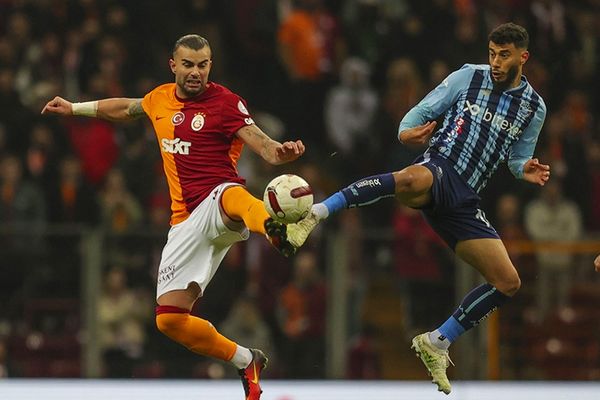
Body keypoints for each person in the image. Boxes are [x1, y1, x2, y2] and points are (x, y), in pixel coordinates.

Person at [286, 22, 549, 394]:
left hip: (465, 200)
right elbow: (416, 116)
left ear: (523, 57)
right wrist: (407, 133)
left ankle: (438, 341)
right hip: (441, 166)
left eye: (504, 55)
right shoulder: (468, 77)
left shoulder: (534, 107)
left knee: (508, 282)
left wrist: (525, 169)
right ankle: (316, 214)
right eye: (492, 53)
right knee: (409, 179)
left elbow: (518, 156)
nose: (495, 62)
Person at [42, 34, 304, 400]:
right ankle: (246, 359)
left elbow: (262, 144)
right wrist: (74, 108)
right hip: (184, 222)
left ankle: (274, 228)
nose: (196, 72)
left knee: (231, 195)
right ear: (173, 65)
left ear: (210, 66)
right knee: (169, 319)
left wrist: (280, 152)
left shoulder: (226, 103)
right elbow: (126, 108)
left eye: (203, 65)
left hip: (218, 200)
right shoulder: (159, 98)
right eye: (188, 65)